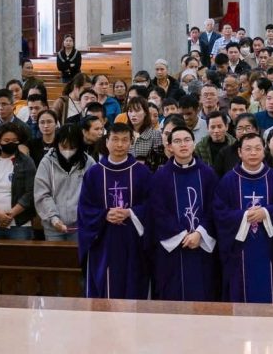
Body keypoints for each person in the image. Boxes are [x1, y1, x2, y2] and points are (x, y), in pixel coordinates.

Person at [76, 123, 151, 298]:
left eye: (125, 140)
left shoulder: (142, 172)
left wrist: (130, 213)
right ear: (106, 141)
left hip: (133, 242)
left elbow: (152, 205)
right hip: (103, 242)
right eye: (115, 139)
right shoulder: (94, 173)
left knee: (133, 287)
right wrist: (105, 215)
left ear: (131, 142)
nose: (119, 145)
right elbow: (84, 208)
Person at [214, 133, 273, 303]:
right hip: (239, 250)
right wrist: (244, 216)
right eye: (248, 149)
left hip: (269, 248)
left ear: (264, 151)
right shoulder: (229, 180)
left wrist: (267, 213)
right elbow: (219, 213)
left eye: (257, 148)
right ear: (239, 152)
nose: (253, 153)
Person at [148, 124, 219, 301]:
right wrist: (182, 235)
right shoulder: (160, 177)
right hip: (173, 249)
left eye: (187, 140)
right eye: (177, 141)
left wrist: (199, 233)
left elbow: (215, 207)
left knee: (203, 292)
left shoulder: (208, 174)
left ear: (194, 144)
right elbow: (158, 211)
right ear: (170, 147)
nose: (183, 144)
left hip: (202, 244)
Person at [34, 123, 93, 241]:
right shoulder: (47, 162)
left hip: (80, 226)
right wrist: (53, 218)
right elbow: (42, 194)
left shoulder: (89, 163)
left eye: (72, 147)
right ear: (57, 143)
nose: (67, 151)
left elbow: (94, 194)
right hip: (53, 226)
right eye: (64, 146)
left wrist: (86, 216)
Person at [0, 122, 37, 240]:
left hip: (20, 223)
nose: (11, 143)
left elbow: (30, 192)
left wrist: (10, 214)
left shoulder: (26, 162)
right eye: (6, 141)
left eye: (15, 141)